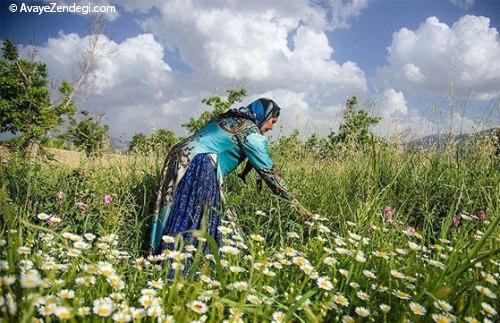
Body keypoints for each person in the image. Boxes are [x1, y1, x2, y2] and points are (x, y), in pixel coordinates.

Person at [149, 98, 312, 256]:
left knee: (177, 209)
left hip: (178, 157)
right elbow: (269, 171)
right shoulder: (250, 132)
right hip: (200, 164)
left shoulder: (230, 119)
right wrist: (296, 205)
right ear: (265, 116)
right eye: (273, 121)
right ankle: (186, 263)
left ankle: (162, 255)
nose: (271, 128)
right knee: (199, 218)